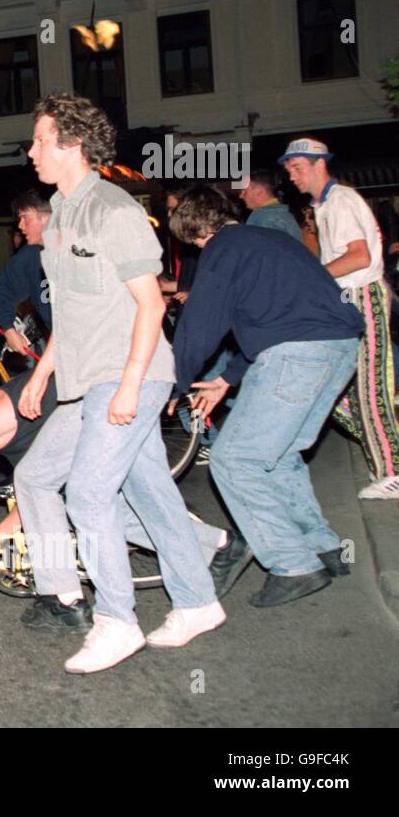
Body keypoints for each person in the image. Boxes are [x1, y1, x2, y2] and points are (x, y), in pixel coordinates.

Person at [15, 93, 222, 674]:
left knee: (86, 493)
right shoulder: (59, 218)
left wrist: (133, 386)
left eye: (39, 140)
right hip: (86, 380)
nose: (31, 151)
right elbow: (72, 315)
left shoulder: (114, 210)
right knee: (145, 491)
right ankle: (199, 601)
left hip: (129, 373)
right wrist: (44, 373)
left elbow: (150, 306)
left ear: (72, 145)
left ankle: (116, 620)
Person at [169, 184, 363, 605]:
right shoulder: (271, 240)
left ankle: (293, 564)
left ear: (189, 229)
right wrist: (227, 378)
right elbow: (271, 318)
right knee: (279, 456)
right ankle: (322, 547)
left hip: (296, 354)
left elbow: (201, 323)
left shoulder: (222, 249)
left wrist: (176, 381)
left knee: (234, 460)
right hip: (338, 348)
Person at [0, 379, 235, 628]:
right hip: (106, 405)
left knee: (79, 500)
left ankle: (65, 599)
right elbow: (38, 500)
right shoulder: (6, 428)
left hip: (97, 401)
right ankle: (217, 543)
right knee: (110, 510)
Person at [283, 137, 399, 500]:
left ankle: (392, 472)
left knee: (370, 388)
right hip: (347, 299)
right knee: (332, 389)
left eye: (297, 167)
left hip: (364, 296)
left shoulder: (342, 201)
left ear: (320, 164)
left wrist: (314, 279)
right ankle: (391, 453)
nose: (292, 176)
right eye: (288, 170)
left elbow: (359, 257)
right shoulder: (326, 204)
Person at [0, 189, 53, 357]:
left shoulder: (80, 248)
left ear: (46, 218)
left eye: (25, 218)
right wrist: (9, 331)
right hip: (62, 347)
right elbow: (2, 296)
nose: (20, 225)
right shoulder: (29, 257)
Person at [238, 169, 303, 242]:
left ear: (258, 191)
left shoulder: (266, 218)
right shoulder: (282, 213)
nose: (241, 196)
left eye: (244, 191)